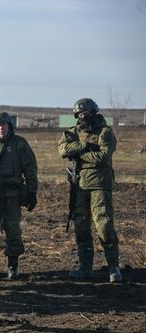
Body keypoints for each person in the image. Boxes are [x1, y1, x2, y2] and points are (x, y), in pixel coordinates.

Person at [58, 98, 122, 283]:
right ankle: (85, 267)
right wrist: (83, 146)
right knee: (81, 226)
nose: (82, 116)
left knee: (104, 225)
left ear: (93, 112)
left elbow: (102, 157)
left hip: (100, 185)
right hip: (79, 185)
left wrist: (79, 154)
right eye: (79, 114)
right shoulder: (72, 132)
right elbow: (63, 149)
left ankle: (113, 267)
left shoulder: (105, 132)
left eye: (85, 113)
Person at [0, 111, 38, 280]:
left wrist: (32, 191)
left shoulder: (19, 144)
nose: (1, 129)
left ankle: (13, 265)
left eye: (3, 125)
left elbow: (30, 168)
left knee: (13, 229)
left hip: (12, 194)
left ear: (9, 126)